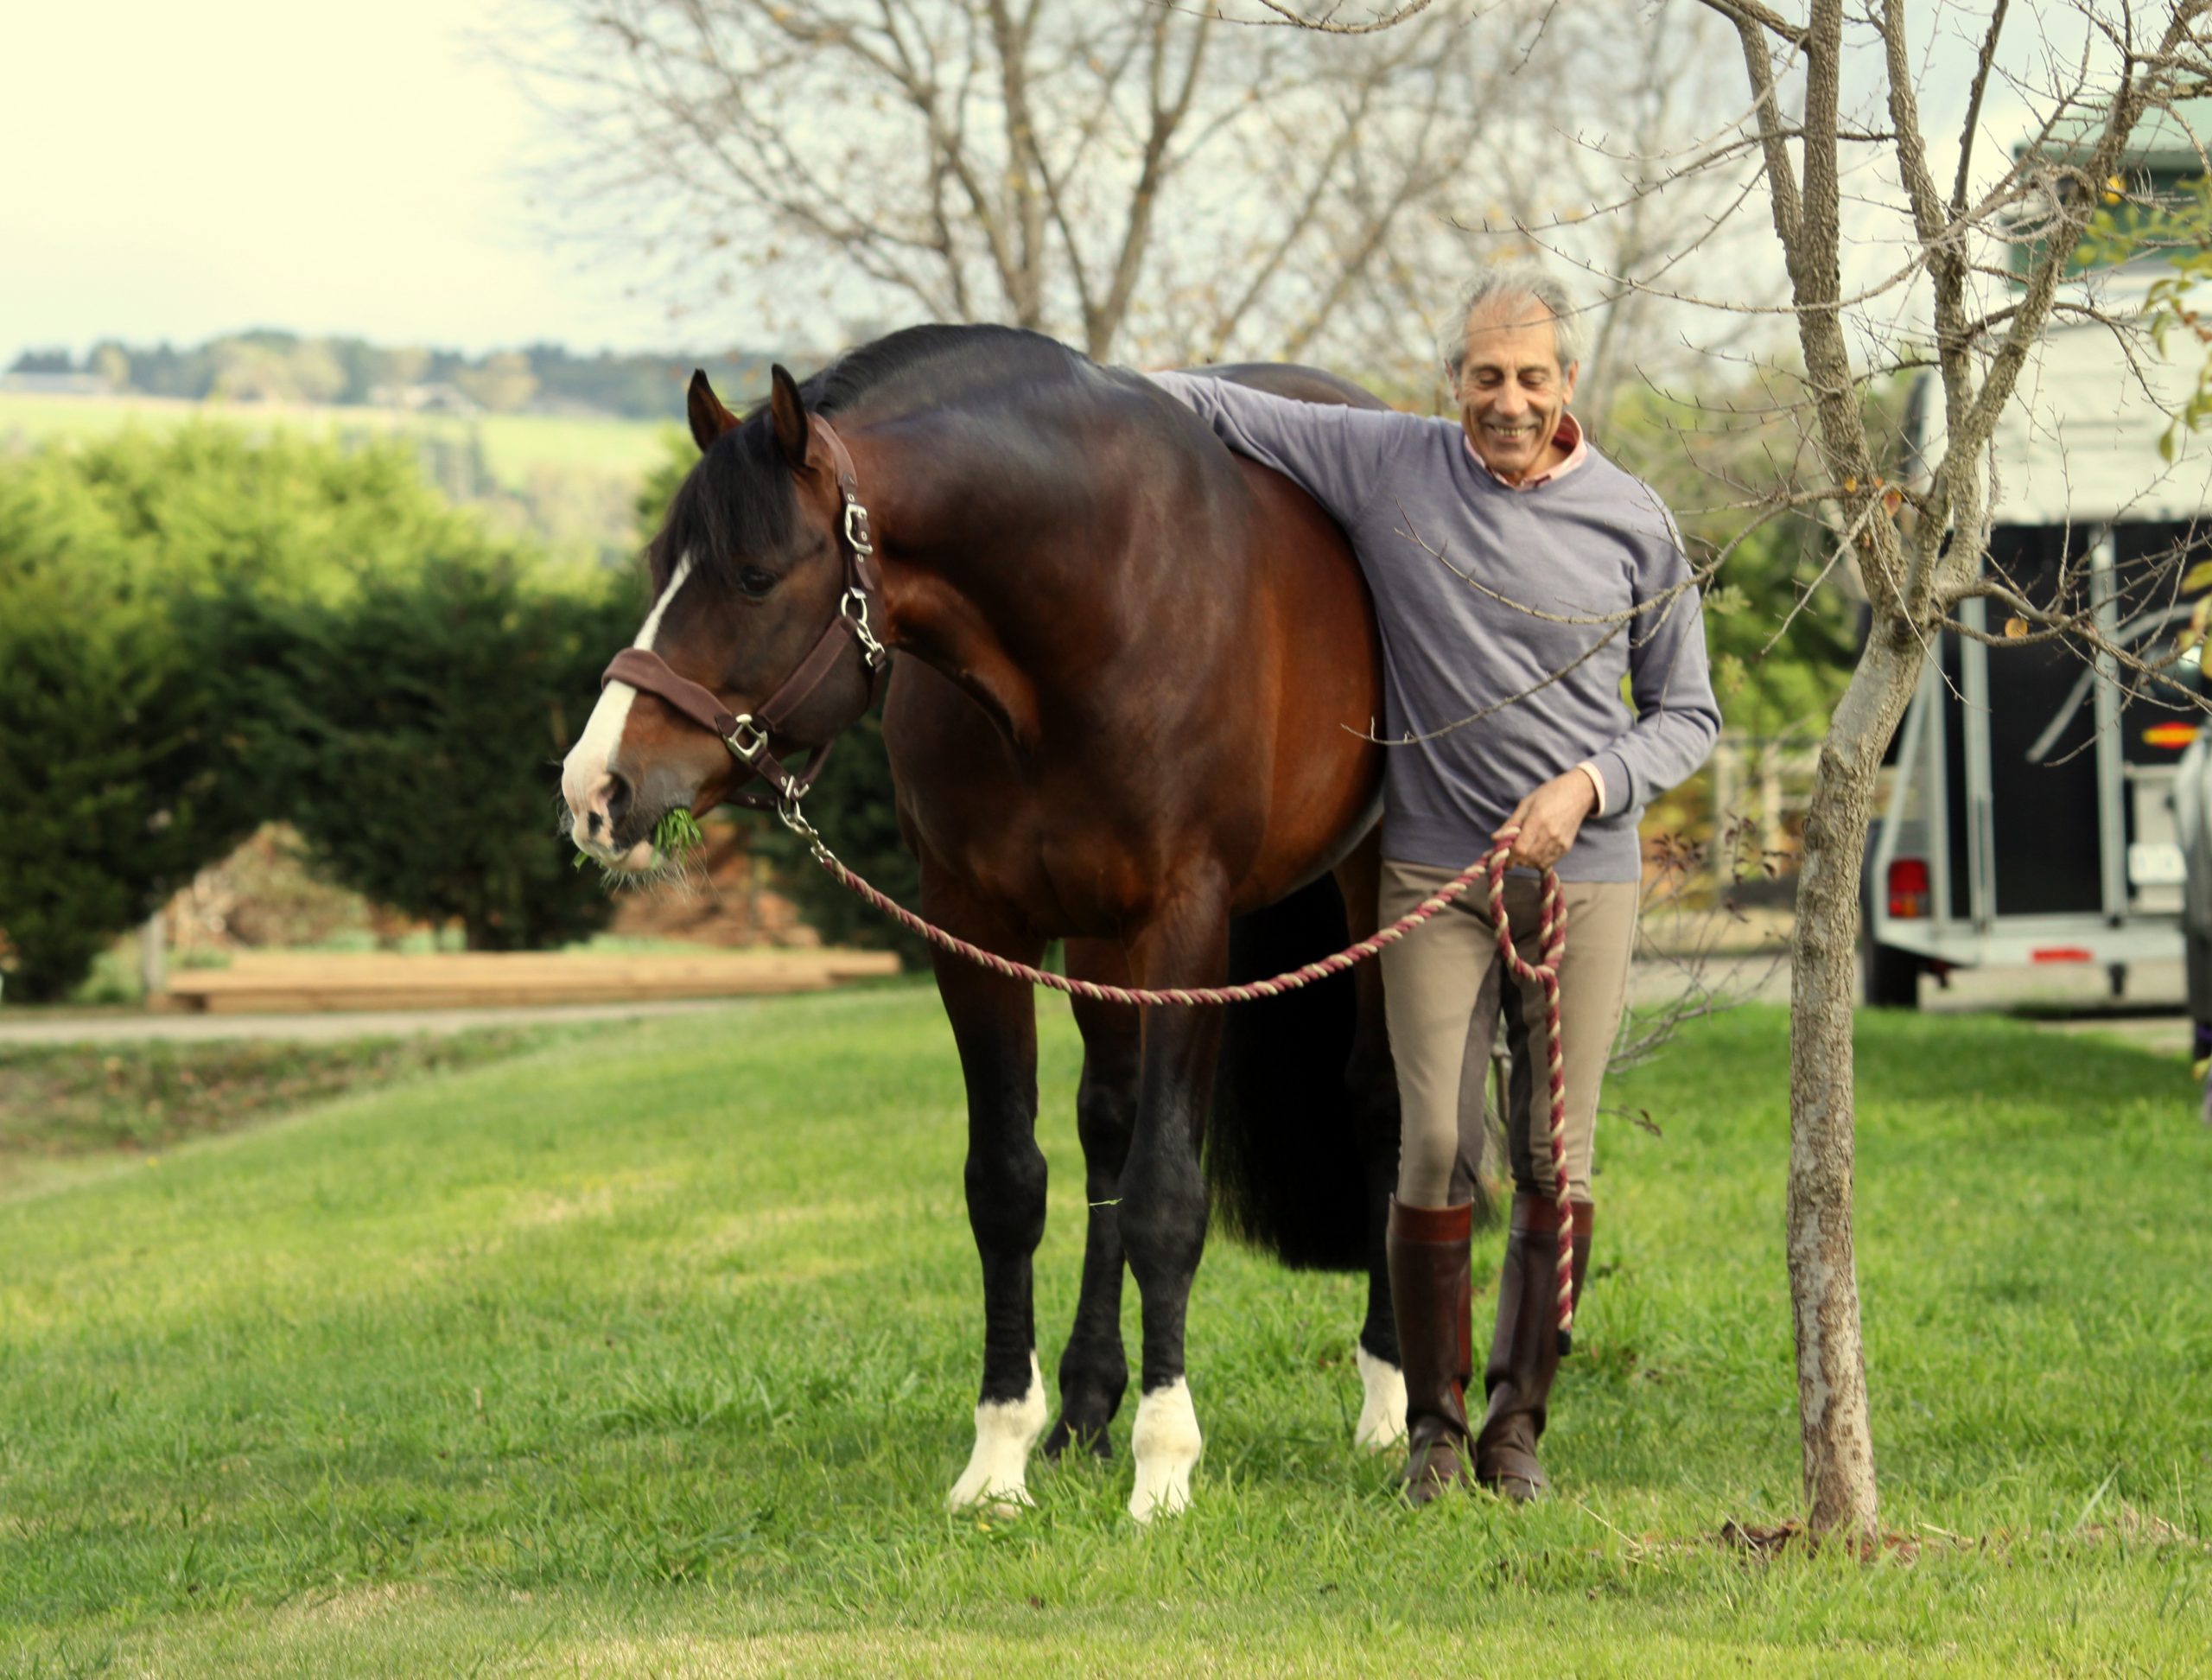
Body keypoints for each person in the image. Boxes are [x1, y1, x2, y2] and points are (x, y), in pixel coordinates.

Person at [1148, 264, 1719, 1504]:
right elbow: (1217, 406)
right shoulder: (1389, 463)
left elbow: (1689, 714)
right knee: (1436, 1146)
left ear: (1569, 385)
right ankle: (1433, 1434)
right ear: (1452, 382)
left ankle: (1518, 1431)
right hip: (1430, 880)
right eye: (1484, 378)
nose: (1506, 401)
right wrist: (1074, 393)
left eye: (1530, 378)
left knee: (1553, 1158)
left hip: (1584, 885)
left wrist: (1588, 789)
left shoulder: (1637, 520)